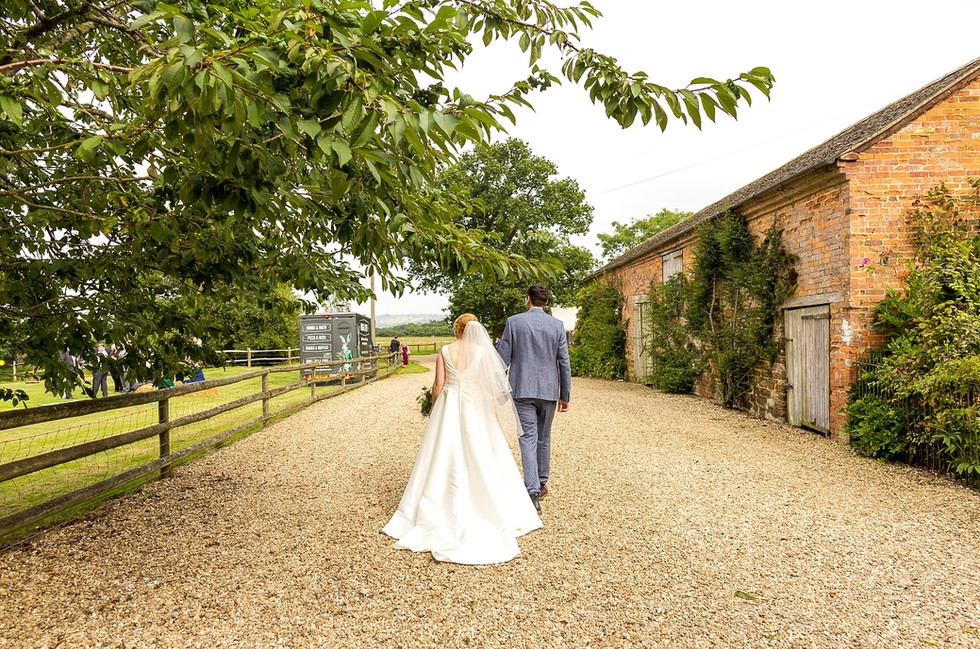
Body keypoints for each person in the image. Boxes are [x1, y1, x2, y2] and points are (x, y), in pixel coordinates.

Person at [383, 314, 541, 564]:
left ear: (457, 329)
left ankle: (438, 507)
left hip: (449, 406)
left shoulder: (445, 350)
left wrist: (434, 409)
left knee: (442, 455)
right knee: (483, 453)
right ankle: (488, 505)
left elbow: (438, 385)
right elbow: (489, 385)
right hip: (475, 408)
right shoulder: (481, 352)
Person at [496, 284, 571, 513]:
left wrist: (498, 388)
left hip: (522, 389)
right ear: (545, 302)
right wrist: (564, 395)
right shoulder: (557, 325)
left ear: (528, 299)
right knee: (543, 437)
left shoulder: (514, 322)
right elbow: (564, 362)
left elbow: (502, 359)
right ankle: (541, 482)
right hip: (549, 391)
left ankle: (532, 491)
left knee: (528, 437)